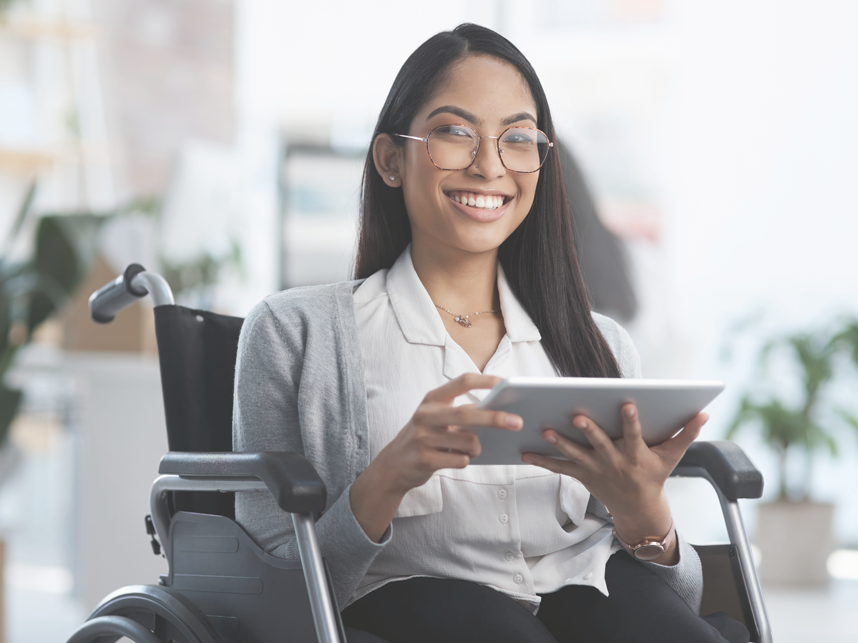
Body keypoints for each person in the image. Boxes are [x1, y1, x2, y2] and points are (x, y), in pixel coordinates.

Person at [233, 23, 748, 643]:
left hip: (584, 588)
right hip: (404, 601)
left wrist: (646, 515)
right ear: (391, 159)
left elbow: (675, 598)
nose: (488, 165)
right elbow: (267, 594)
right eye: (455, 132)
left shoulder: (600, 345)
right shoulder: (295, 332)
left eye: (518, 139)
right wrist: (388, 476)